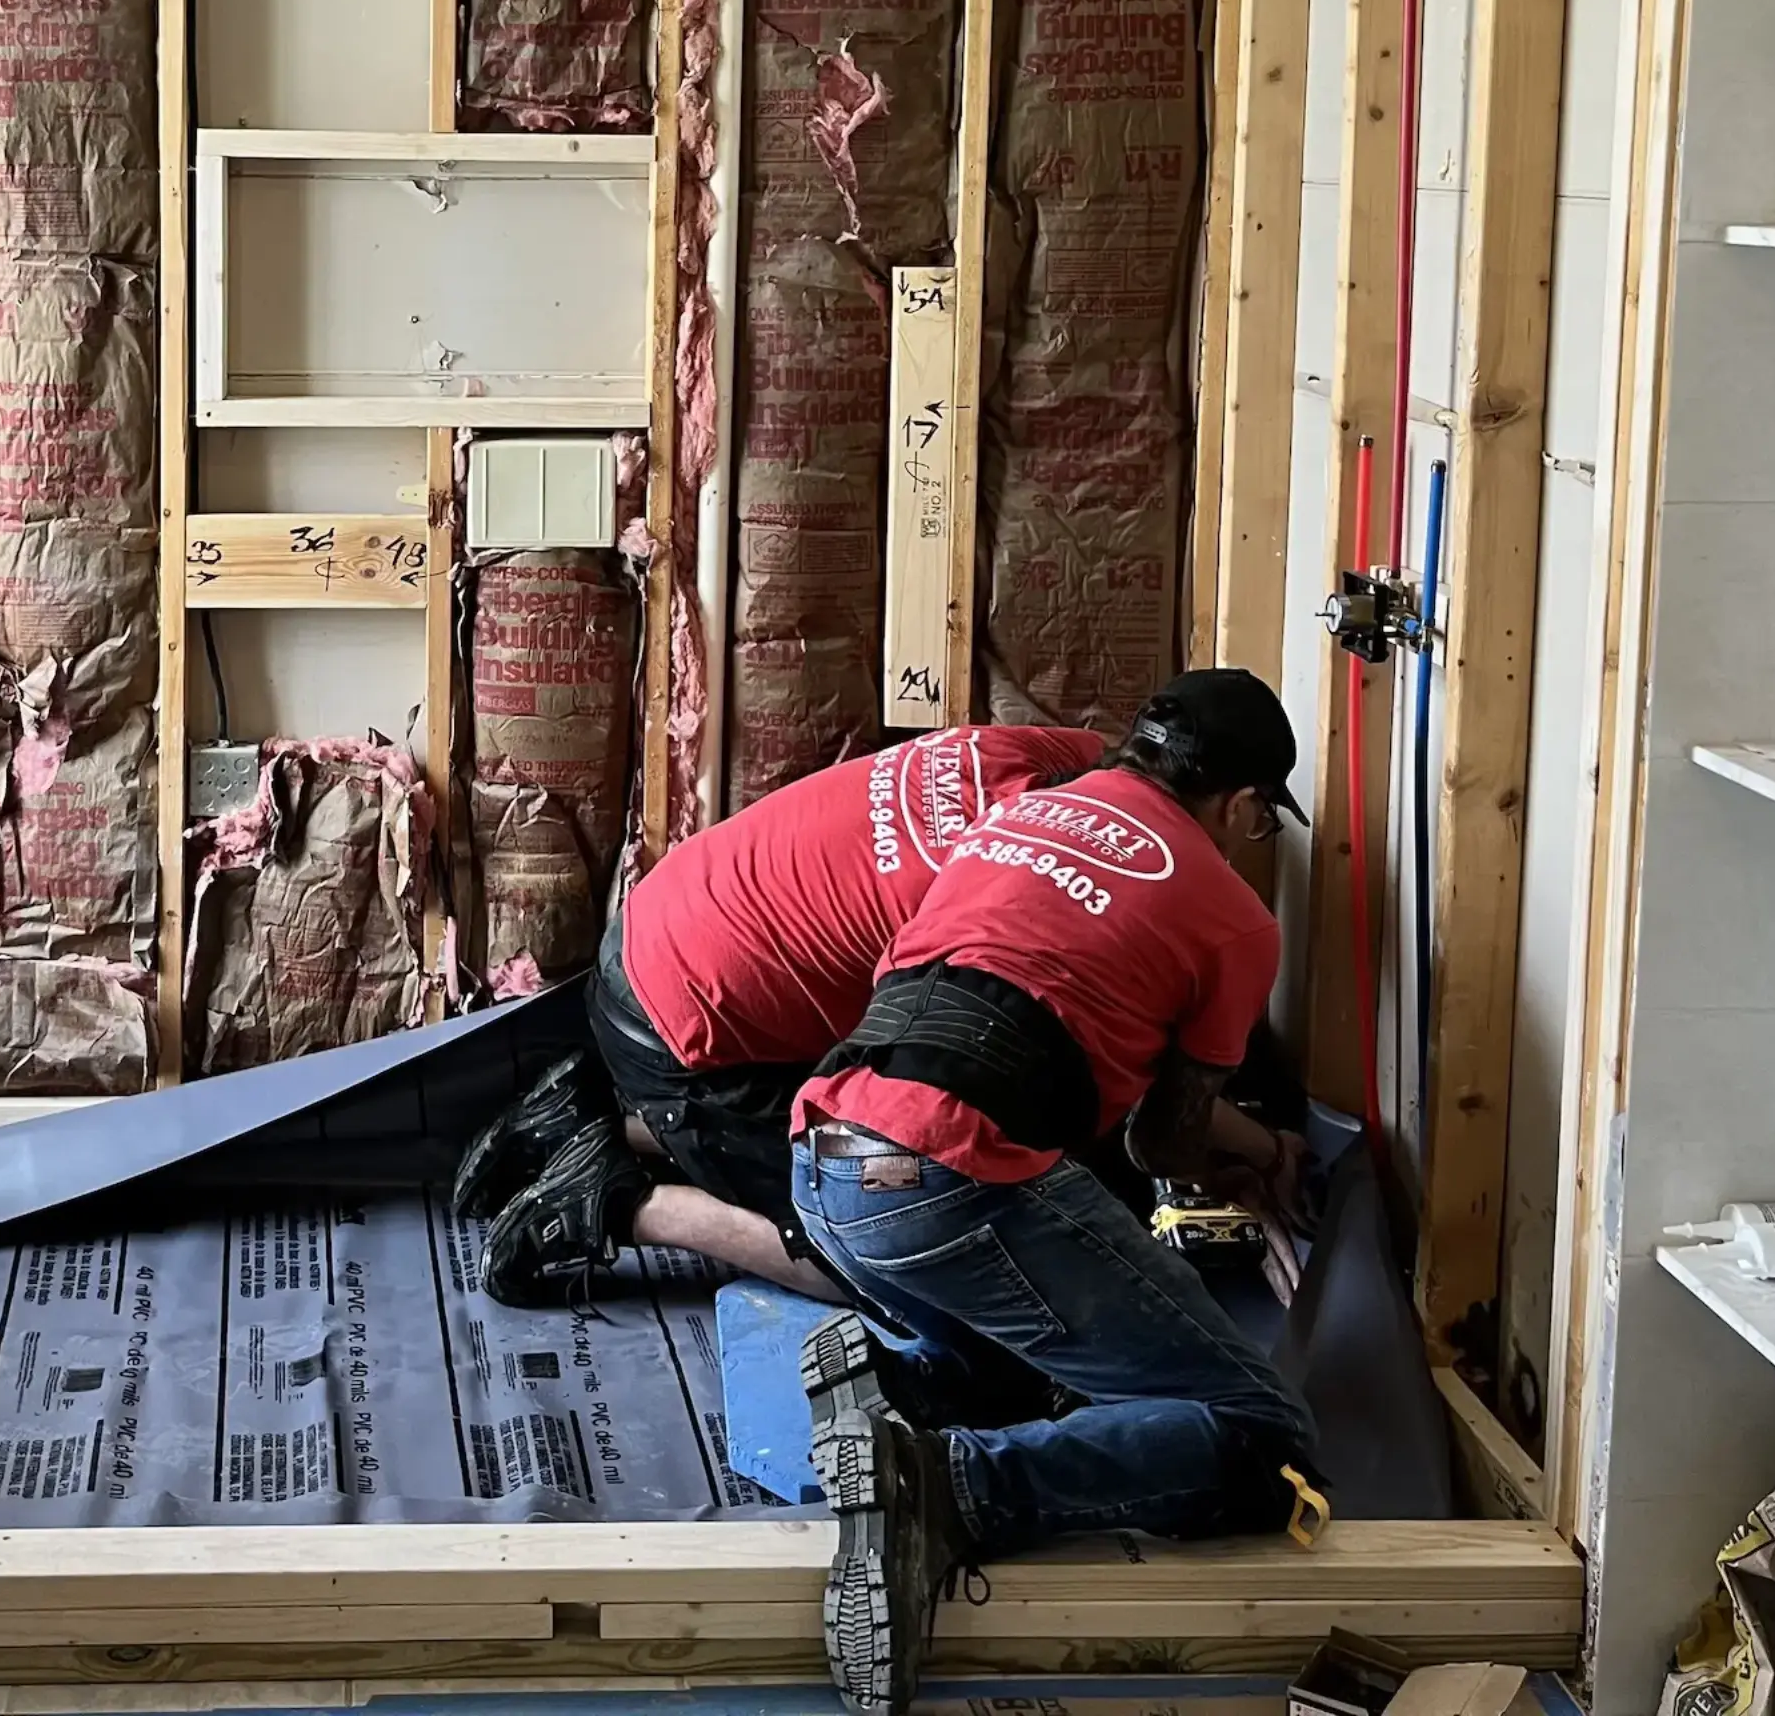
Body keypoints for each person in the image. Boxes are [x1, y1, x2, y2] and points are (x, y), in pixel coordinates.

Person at [788, 669, 1326, 1716]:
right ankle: (940, 1487)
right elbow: (1163, 1141)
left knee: (1049, 1385)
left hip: (826, 1167)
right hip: (947, 1181)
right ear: (1247, 806)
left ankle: (914, 1395)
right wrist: (1259, 1159)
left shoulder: (1014, 816)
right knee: (1260, 1432)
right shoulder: (1235, 918)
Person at [455, 721, 1103, 1302]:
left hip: (650, 944)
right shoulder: (998, 909)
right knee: (901, 1228)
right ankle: (619, 1201)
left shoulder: (1047, 753)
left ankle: (599, 1116)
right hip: (688, 1045)